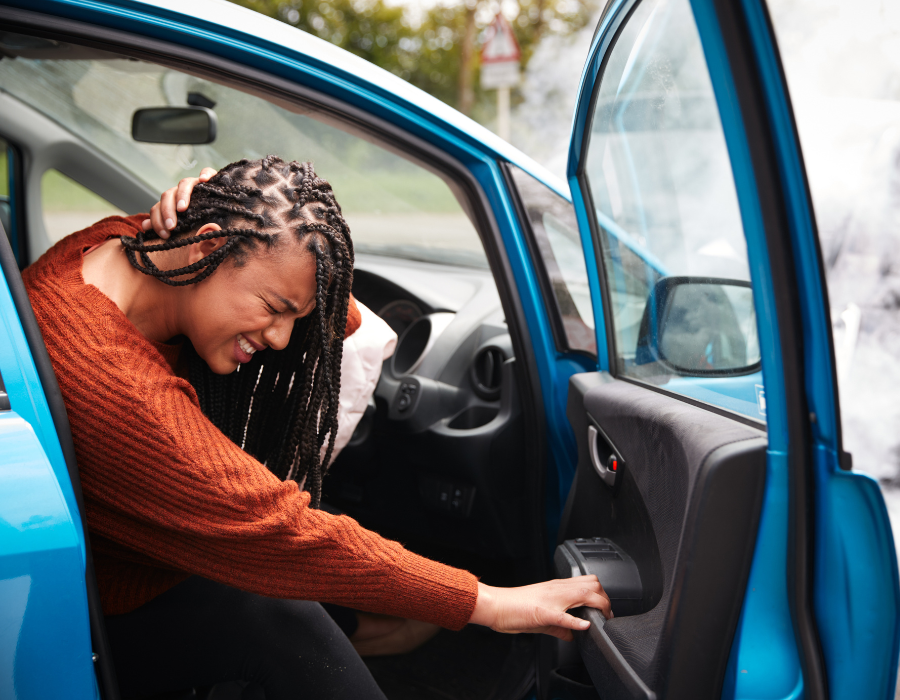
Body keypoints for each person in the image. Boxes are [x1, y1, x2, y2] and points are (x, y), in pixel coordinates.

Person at [24, 156, 611, 699]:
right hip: (96, 614)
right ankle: (387, 629)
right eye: (273, 307)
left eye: (291, 316)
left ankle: (383, 628)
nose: (281, 337)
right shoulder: (114, 387)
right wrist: (491, 603)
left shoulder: (119, 243)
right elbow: (283, 528)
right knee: (284, 617)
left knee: (290, 613)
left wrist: (223, 223)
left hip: (130, 567)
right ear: (207, 244)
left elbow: (337, 315)